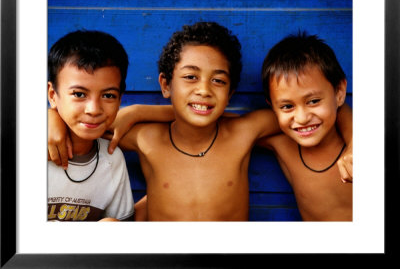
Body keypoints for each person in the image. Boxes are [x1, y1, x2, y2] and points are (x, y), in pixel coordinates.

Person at [49, 22, 352, 221]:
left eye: (218, 81)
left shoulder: (245, 131)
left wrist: (356, 142)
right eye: (191, 77)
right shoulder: (145, 138)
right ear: (165, 85)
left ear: (231, 92)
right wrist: (50, 118)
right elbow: (86, 123)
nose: (204, 90)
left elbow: (326, 111)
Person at [256, 32, 353, 221]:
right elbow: (223, 125)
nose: (301, 118)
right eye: (287, 106)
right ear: (272, 107)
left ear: (340, 93)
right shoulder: (282, 144)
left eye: (314, 101)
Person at [47, 30, 135, 221]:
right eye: (79, 94)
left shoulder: (112, 160)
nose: (94, 109)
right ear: (53, 95)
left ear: (120, 99)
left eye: (108, 96)